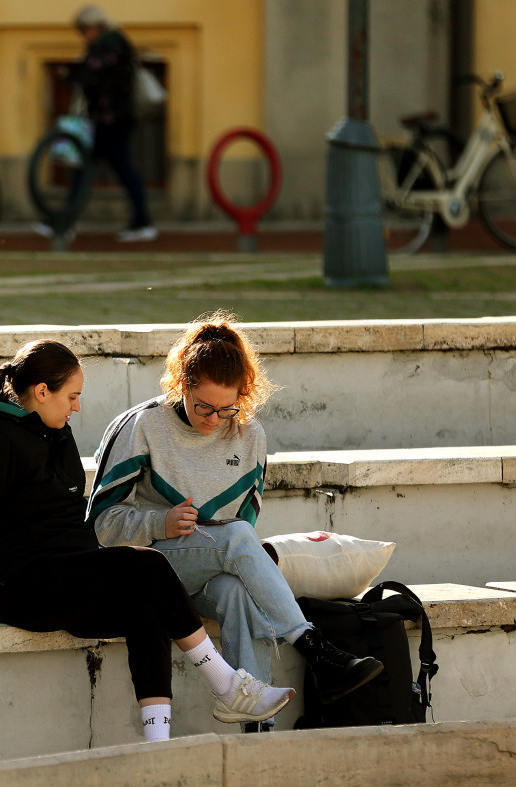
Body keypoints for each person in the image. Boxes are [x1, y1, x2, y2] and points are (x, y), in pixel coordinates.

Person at [0, 339, 295, 741]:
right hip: (14, 586)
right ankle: (227, 685)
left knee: (146, 602)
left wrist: (106, 563)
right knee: (146, 565)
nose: (78, 406)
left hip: (64, 576)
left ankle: (158, 744)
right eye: (71, 396)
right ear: (40, 392)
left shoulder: (56, 434)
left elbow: (71, 521)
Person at [88, 311, 384, 731]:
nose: (213, 419)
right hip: (144, 573)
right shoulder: (143, 426)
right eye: (203, 406)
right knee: (239, 539)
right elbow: (100, 525)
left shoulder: (251, 437)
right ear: (182, 385)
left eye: (227, 410)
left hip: (201, 575)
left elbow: (240, 534)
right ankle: (315, 649)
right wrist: (159, 522)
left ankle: (255, 726)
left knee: (238, 593)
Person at [71, 4, 156, 243]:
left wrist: (72, 78)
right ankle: (142, 221)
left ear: (94, 27)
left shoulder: (107, 46)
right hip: (116, 117)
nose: (83, 35)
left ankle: (64, 221)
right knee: (120, 169)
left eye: (84, 30)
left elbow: (91, 75)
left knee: (84, 167)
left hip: (109, 119)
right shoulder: (116, 42)